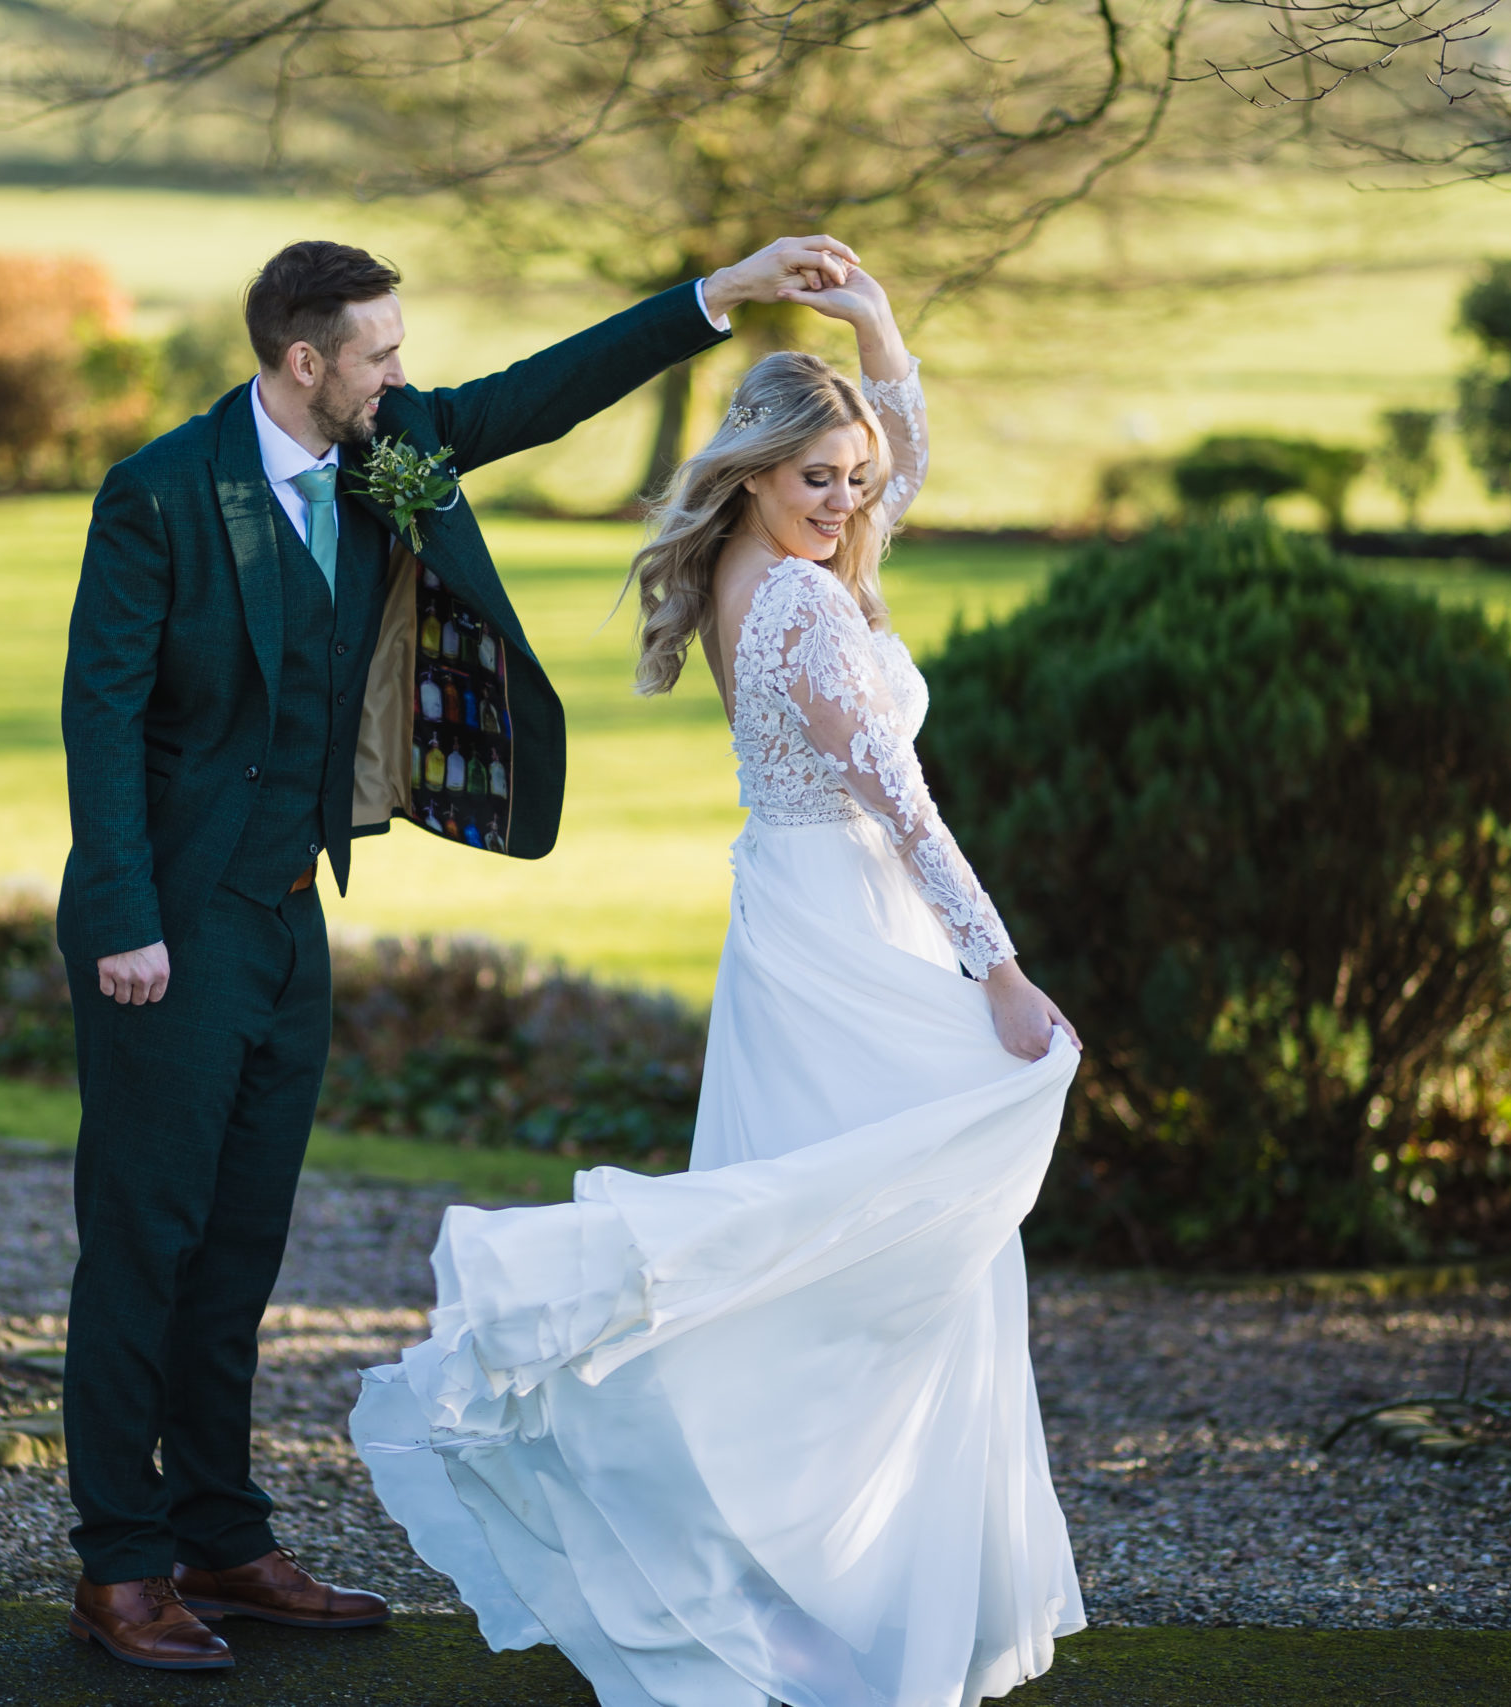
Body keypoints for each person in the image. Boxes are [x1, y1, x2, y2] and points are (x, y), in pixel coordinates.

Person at [56, 232, 862, 1672]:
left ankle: (222, 1537)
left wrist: (717, 299)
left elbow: (541, 395)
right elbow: (101, 714)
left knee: (240, 1245)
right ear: (305, 364)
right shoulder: (162, 495)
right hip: (167, 930)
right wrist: (124, 919)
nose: (403, 374)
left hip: (291, 915)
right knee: (144, 1244)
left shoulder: (392, 445)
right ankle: (120, 1565)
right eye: (380, 354)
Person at [350, 261, 1088, 1707]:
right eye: (819, 478)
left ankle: (825, 1581)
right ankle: (826, 1590)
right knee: (865, 1246)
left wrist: (875, 335)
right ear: (754, 474)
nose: (849, 502)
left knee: (853, 1245)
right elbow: (906, 804)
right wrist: (996, 971)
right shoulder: (808, 611)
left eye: (853, 480)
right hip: (848, 932)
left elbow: (897, 467)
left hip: (801, 918)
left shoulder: (774, 566)